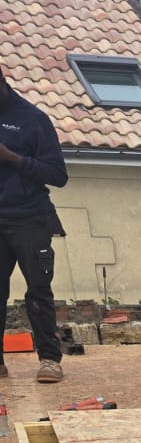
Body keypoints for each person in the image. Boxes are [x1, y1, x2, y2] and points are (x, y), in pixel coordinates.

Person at [0, 66, 68, 384]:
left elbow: (58, 175)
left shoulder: (33, 120)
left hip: (30, 218)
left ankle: (50, 360)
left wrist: (12, 158)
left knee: (38, 291)